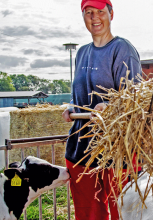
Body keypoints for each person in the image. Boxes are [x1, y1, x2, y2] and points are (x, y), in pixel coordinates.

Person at [61, 0, 141, 219]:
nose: (95, 17)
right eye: (88, 12)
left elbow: (135, 98)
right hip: (81, 150)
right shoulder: (82, 53)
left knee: (122, 212)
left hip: (116, 151)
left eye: (100, 11)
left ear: (111, 14)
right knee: (87, 214)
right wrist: (70, 108)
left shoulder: (122, 49)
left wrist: (110, 107)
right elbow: (77, 94)